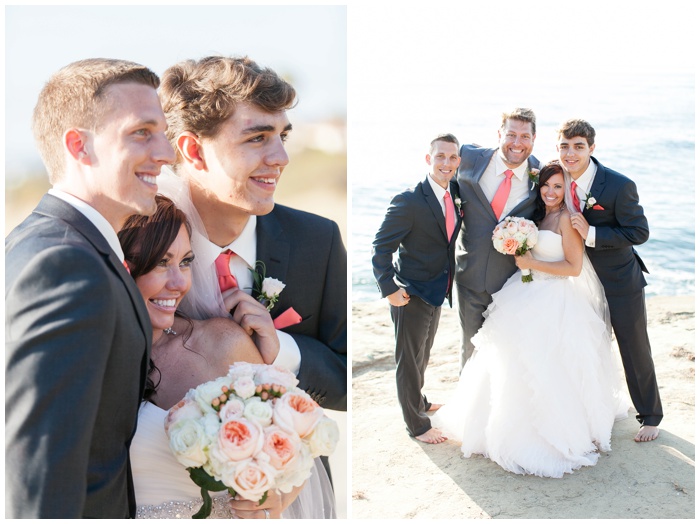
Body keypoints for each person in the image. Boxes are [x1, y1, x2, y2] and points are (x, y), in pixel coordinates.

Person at [5, 58, 175, 517]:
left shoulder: (61, 245)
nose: (167, 153)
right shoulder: (64, 265)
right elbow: (38, 469)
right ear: (79, 146)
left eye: (163, 132)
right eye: (142, 132)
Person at [120, 195, 337, 519]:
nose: (179, 284)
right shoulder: (93, 357)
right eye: (161, 262)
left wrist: (275, 499)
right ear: (123, 267)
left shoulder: (220, 343)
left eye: (186, 261)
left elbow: (300, 442)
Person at [156, 56, 346, 416]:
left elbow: (347, 381)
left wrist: (282, 350)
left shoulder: (318, 241)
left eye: (282, 136)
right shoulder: (142, 246)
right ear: (194, 151)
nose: (281, 157)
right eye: (257, 138)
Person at [434, 161, 629, 477]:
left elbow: (574, 268)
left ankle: (549, 431)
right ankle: (496, 423)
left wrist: (532, 264)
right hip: (526, 291)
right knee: (509, 357)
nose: (551, 192)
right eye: (546, 186)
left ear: (567, 190)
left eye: (558, 187)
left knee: (547, 365)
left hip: (556, 297)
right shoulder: (540, 216)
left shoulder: (568, 220)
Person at [558, 118, 662, 443]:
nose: (570, 153)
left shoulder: (618, 185)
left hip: (620, 282)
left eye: (578, 146)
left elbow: (639, 232)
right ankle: (594, 411)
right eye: (564, 146)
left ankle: (651, 416)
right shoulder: (554, 181)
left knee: (634, 348)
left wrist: (593, 234)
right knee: (589, 349)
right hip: (578, 284)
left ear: (592, 147)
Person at [371, 134, 463, 444]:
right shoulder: (409, 200)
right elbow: (380, 248)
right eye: (440, 157)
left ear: (458, 162)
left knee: (422, 354)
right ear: (428, 159)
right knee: (408, 361)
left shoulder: (455, 196)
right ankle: (417, 425)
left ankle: (420, 401)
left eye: (452, 158)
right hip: (409, 294)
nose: (446, 163)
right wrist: (389, 288)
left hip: (437, 291)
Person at [454, 108, 541, 368]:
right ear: (499, 134)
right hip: (470, 273)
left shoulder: (541, 174)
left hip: (512, 282)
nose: (517, 143)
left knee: (509, 352)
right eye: (511, 134)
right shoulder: (468, 157)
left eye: (525, 136)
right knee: (471, 347)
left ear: (534, 139)